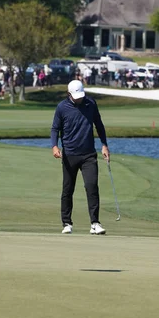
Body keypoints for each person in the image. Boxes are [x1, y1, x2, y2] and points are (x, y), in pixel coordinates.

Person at [50, 80, 109, 235]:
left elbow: (99, 125)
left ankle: (95, 223)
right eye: (76, 96)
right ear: (69, 94)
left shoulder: (91, 103)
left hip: (89, 154)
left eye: (81, 95)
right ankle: (67, 223)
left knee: (92, 187)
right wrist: (54, 146)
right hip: (69, 154)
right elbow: (55, 128)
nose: (79, 99)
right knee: (67, 190)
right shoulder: (62, 107)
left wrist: (104, 145)